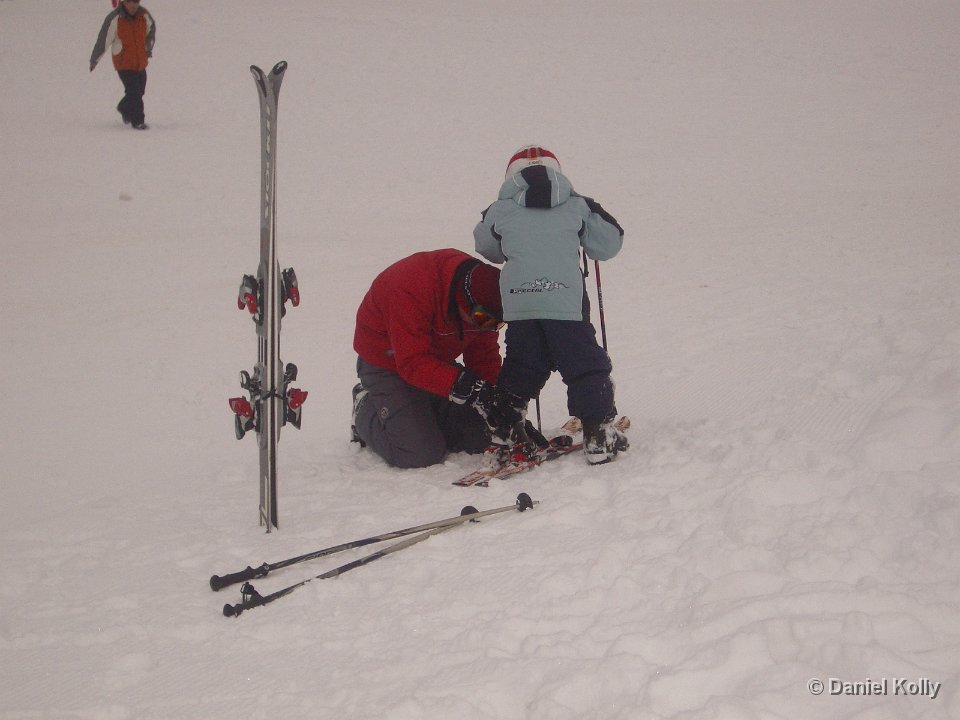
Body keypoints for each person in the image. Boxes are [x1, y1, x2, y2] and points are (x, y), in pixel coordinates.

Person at [473, 145, 629, 464]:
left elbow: (487, 247)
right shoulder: (577, 205)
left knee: (523, 362)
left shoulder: (498, 209)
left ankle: (506, 429)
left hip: (520, 301)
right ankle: (598, 432)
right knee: (582, 361)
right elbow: (608, 244)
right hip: (565, 300)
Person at [351, 248, 528, 469]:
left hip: (435, 361)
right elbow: (412, 363)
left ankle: (419, 414)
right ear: (463, 301)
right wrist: (465, 386)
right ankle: (365, 405)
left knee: (481, 436)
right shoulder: (410, 287)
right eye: (484, 320)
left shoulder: (485, 305)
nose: (489, 326)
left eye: (497, 324)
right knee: (419, 453)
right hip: (388, 364)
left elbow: (483, 358)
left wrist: (497, 405)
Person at [90, 0, 156, 130]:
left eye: (136, 2)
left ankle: (124, 107)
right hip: (124, 63)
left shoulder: (143, 15)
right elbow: (103, 39)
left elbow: (151, 30)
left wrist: (148, 47)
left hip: (140, 61)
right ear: (123, 2)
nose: (133, 5)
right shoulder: (115, 18)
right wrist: (94, 60)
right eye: (129, 2)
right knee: (134, 92)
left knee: (140, 90)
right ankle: (138, 121)